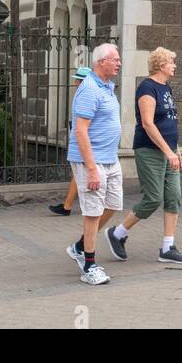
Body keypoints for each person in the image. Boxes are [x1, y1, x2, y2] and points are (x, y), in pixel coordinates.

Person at [105, 46, 182, 266]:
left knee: (174, 197)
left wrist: (176, 150)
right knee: (153, 198)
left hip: (168, 151)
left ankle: (167, 248)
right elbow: (148, 123)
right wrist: (167, 151)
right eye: (172, 62)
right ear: (161, 65)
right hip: (149, 151)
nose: (174, 65)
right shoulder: (147, 88)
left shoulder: (166, 88)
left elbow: (169, 123)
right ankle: (118, 233)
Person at [65, 44, 122, 286]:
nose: (119, 63)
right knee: (92, 212)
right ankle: (89, 266)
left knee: (113, 205)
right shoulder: (89, 88)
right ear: (101, 62)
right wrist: (90, 168)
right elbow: (80, 130)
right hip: (93, 160)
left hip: (110, 158)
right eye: (115, 60)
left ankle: (79, 246)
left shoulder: (107, 86)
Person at [50, 66, 92, 217]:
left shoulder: (86, 95)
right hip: (84, 140)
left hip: (86, 142)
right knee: (79, 173)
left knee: (83, 173)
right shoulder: (84, 94)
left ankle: (73, 206)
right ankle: (67, 205)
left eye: (78, 80)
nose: (75, 82)